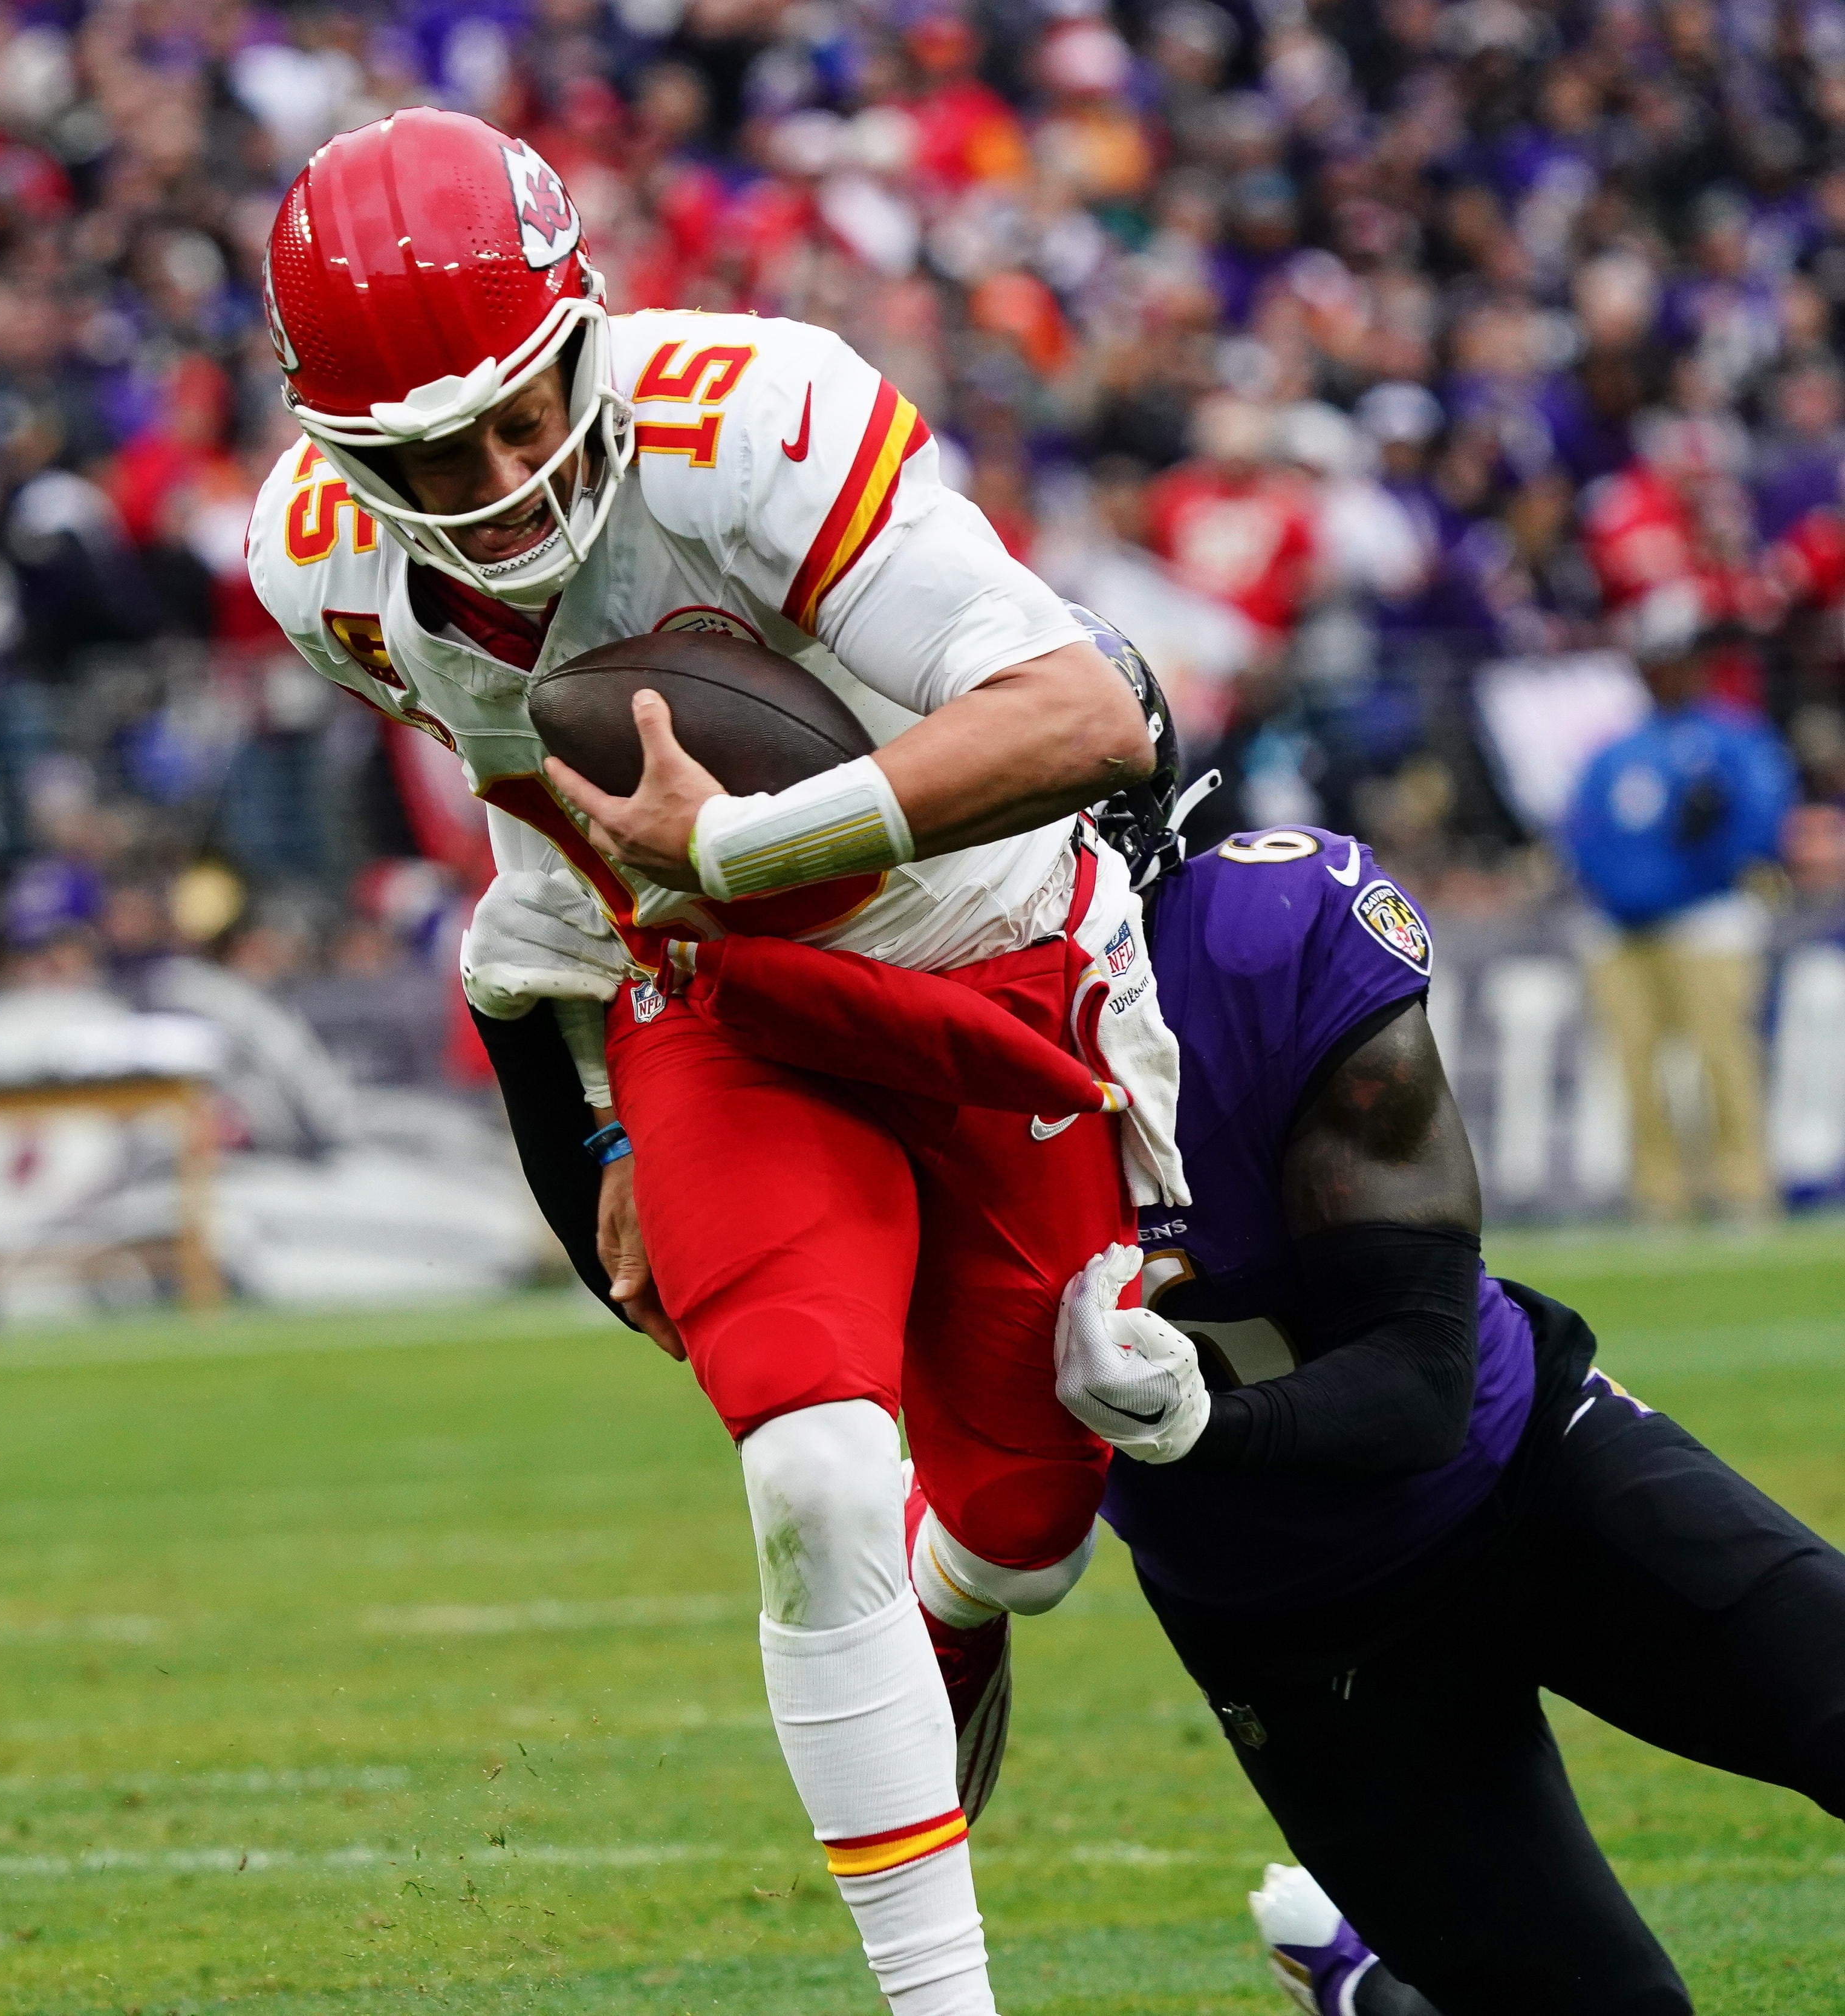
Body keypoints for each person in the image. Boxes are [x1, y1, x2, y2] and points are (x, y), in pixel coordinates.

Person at [248, 108, 1185, 2016]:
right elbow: (539, 807)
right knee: (818, 1475)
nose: (498, 482)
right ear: (332, 441)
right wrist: (595, 1104)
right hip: (725, 994)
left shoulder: (755, 417)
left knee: (1021, 1520)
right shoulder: (320, 567)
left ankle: (964, 1596)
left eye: (521, 418)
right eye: (429, 452)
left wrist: (752, 841)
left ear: (584, 333)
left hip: (985, 952)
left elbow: (1094, 713)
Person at [676, 631, 1845, 2014]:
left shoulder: (1265, 934)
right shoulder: (844, 1050)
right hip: (1295, 1628)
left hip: (1526, 1472)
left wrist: (1189, 1421)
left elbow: (1415, 1388)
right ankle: (1374, 1991)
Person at [1563, 586, 1795, 1225]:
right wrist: (1621, 892)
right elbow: (1581, 835)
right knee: (1637, 1068)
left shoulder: (1734, 739)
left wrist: (1705, 860)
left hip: (1707, 922)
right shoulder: (1612, 752)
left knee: (1722, 1056)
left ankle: (1743, 1186)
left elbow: (1760, 825)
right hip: (1620, 928)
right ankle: (1659, 1194)